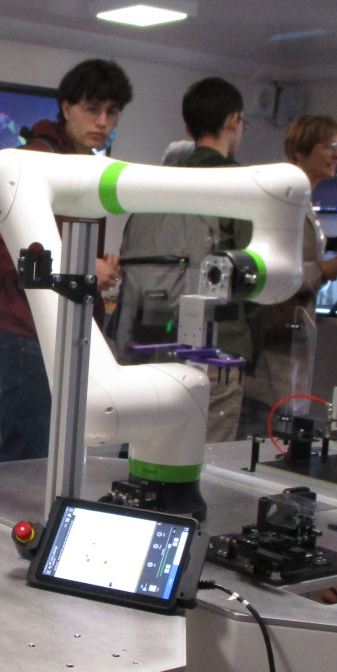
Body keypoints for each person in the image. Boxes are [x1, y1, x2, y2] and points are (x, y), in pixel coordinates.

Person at [0, 58, 132, 462]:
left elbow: (64, 255)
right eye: (91, 108)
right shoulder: (29, 163)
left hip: (69, 332)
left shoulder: (86, 169)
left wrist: (97, 272)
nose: (102, 121)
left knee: (51, 454)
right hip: (28, 334)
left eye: (111, 112)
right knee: (28, 452)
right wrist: (79, 268)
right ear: (66, 107)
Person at [116, 76, 254, 443]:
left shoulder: (160, 186)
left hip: (152, 347)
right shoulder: (242, 189)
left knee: (149, 454)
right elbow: (256, 280)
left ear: (188, 126)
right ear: (232, 121)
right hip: (216, 352)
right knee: (207, 467)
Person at [239, 114, 337, 435]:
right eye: (329, 145)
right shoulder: (284, 204)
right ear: (301, 152)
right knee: (264, 427)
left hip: (293, 338)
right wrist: (321, 270)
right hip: (274, 341)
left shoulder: (306, 205)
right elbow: (270, 272)